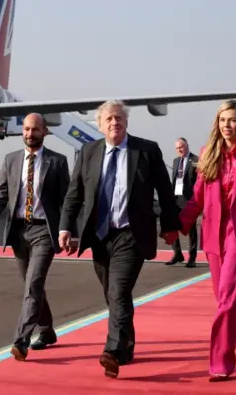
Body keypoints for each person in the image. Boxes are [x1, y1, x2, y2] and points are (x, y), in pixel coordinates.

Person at [58, 100, 180, 379]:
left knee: (118, 291)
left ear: (126, 123)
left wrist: (170, 226)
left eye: (119, 118)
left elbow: (164, 188)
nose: (115, 122)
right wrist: (66, 228)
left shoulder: (146, 150)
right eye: (109, 119)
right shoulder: (88, 152)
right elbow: (74, 194)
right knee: (112, 295)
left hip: (131, 234)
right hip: (99, 236)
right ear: (100, 125)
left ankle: (112, 350)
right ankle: (126, 346)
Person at [176, 99, 236, 382]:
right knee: (224, 297)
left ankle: (220, 362)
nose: (226, 125)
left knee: (227, 300)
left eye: (231, 120)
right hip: (214, 233)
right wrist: (178, 224)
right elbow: (198, 197)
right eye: (222, 120)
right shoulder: (208, 154)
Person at [0, 113, 71, 361]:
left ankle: (21, 341)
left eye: (36, 129)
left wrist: (69, 231)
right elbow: (0, 194)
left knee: (33, 284)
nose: (30, 134)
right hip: (19, 231)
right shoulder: (11, 160)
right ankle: (47, 331)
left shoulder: (58, 162)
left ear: (45, 132)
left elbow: (67, 201)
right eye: (27, 129)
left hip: (45, 230)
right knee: (32, 285)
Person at [166, 137, 199, 267]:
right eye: (178, 148)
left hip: (189, 200)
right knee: (172, 226)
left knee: (191, 230)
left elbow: (199, 182)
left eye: (182, 147)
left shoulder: (196, 160)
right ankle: (177, 254)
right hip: (176, 198)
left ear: (187, 145)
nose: (180, 150)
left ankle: (192, 258)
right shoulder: (175, 161)